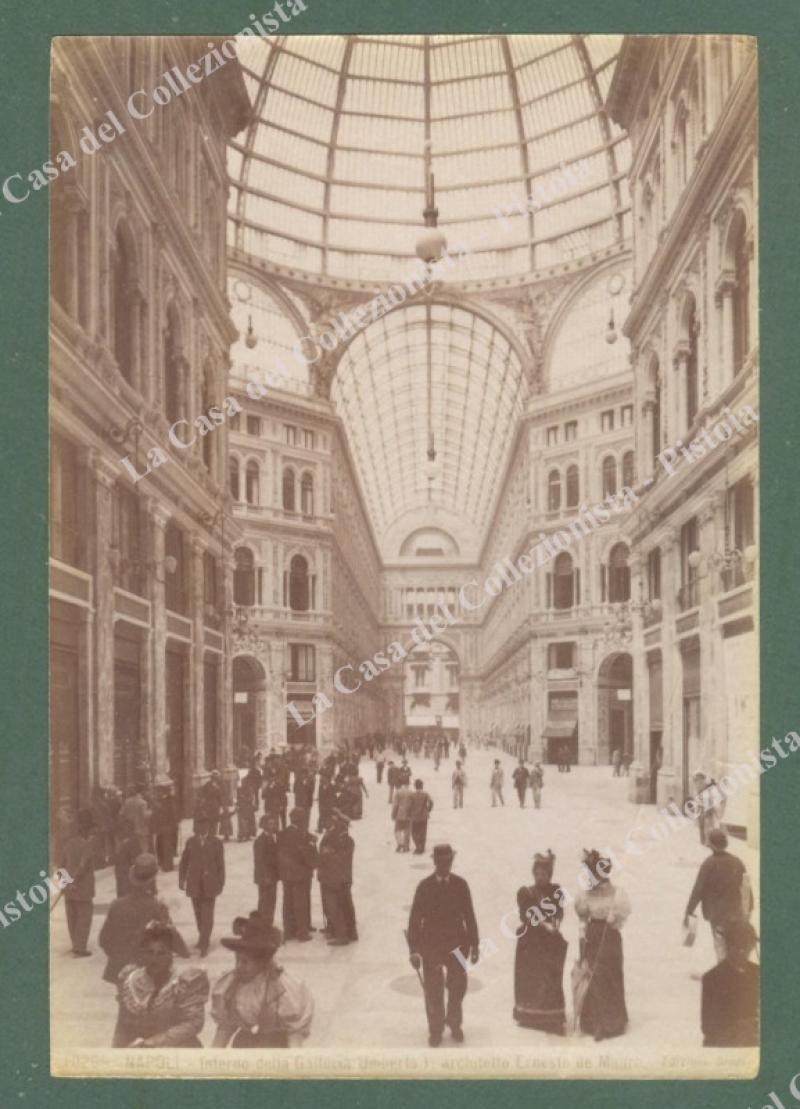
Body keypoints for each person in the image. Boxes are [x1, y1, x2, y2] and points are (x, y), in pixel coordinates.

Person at [407, 844, 479, 1046]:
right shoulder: (424, 886)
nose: (445, 865)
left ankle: (454, 1023)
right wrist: (414, 950)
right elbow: (414, 920)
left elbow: (469, 916)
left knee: (458, 987)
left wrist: (475, 945)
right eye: (441, 861)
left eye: (448, 861)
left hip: (458, 945)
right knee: (433, 989)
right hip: (431, 945)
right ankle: (436, 1029)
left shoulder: (461, 885)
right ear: (435, 862)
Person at [211, 914, 313, 1047]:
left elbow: (294, 1033)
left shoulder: (281, 988)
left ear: (262, 963)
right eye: (237, 960)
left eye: (245, 962)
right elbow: (226, 1026)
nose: (238, 967)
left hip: (273, 1046)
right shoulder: (231, 984)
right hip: (244, 1044)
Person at [113, 920, 209, 1048]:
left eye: (161, 953)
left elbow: (193, 1023)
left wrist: (151, 1043)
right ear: (143, 955)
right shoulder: (130, 979)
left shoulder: (184, 983)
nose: (154, 959)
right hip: (136, 1048)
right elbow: (123, 1023)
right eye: (150, 953)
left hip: (178, 1047)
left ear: (170, 956)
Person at [574, 850, 631, 1041]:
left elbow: (621, 919)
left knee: (611, 978)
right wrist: (582, 938)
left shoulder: (617, 894)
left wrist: (614, 919)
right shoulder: (585, 895)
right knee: (594, 978)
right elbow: (583, 918)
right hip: (593, 937)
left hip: (611, 940)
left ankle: (613, 1022)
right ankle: (596, 1023)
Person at [99, 854, 180, 984]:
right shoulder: (157, 907)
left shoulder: (117, 905)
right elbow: (174, 943)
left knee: (124, 1002)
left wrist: (121, 958)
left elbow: (104, 940)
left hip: (120, 970)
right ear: (152, 880)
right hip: (149, 973)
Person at [513, 851, 567, 1034]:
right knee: (532, 978)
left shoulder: (556, 891)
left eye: (544, 874)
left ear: (549, 875)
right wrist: (545, 924)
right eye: (537, 874)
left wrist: (556, 923)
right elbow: (527, 916)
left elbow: (559, 912)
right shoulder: (526, 893)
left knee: (551, 979)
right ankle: (530, 1016)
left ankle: (552, 1016)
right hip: (532, 941)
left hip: (550, 941)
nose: (540, 877)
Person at [684, 829, 753, 962]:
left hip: (717, 914)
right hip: (735, 912)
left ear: (711, 845)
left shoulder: (708, 864)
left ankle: (725, 974)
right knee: (733, 943)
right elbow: (746, 888)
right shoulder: (737, 862)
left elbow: (698, 890)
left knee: (720, 944)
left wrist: (689, 910)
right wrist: (748, 910)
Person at [701, 920, 759, 1047]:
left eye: (747, 947)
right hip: (725, 1046)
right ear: (728, 946)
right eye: (737, 946)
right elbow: (707, 1027)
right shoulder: (712, 978)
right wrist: (739, 1027)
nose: (742, 952)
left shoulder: (758, 974)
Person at [178, 815, 225, 956]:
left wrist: (221, 882)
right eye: (198, 825)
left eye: (203, 825)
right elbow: (184, 862)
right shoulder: (191, 842)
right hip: (194, 884)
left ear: (208, 827)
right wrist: (181, 879)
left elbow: (220, 865)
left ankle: (204, 942)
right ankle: (202, 937)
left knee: (207, 915)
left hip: (210, 884)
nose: (200, 828)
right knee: (198, 913)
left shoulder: (216, 842)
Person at [277, 807, 317, 942]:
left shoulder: (283, 833)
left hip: (287, 875)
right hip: (301, 874)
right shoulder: (300, 834)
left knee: (288, 902)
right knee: (301, 902)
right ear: (301, 820)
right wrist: (314, 861)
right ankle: (302, 932)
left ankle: (289, 930)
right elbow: (306, 854)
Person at [318, 810, 357, 945]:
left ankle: (342, 935)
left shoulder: (345, 841)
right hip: (337, 878)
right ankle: (345, 932)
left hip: (336, 879)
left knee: (337, 906)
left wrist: (326, 854)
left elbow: (337, 858)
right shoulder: (339, 838)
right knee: (343, 905)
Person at [61, 809, 96, 956]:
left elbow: (62, 864)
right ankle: (80, 947)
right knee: (83, 917)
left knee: (72, 916)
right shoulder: (86, 845)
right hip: (82, 887)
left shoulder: (67, 843)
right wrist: (74, 880)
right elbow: (83, 866)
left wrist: (65, 882)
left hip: (69, 887)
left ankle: (75, 942)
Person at [253, 814, 280, 927]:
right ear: (263, 825)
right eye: (270, 823)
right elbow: (259, 861)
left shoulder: (273, 837)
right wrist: (265, 876)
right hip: (265, 877)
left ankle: (268, 923)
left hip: (272, 876)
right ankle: (263, 925)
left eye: (273, 823)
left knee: (271, 901)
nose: (272, 826)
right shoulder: (260, 841)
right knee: (265, 902)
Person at [151, 784, 178, 871]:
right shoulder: (170, 801)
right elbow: (174, 815)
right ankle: (167, 866)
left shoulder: (158, 802)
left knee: (161, 846)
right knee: (166, 847)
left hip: (161, 828)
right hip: (167, 827)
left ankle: (162, 863)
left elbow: (154, 816)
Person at [113, 818, 142, 898]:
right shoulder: (124, 842)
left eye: (124, 829)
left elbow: (135, 860)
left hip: (127, 876)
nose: (121, 832)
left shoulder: (133, 842)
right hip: (122, 875)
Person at [121, 786, 151, 853]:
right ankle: (143, 860)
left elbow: (122, 813)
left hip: (130, 827)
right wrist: (151, 812)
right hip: (141, 827)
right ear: (139, 793)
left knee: (133, 844)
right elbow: (145, 816)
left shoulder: (127, 801)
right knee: (143, 845)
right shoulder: (143, 803)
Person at [408, 779, 434, 855]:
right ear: (422, 786)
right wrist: (428, 810)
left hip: (414, 815)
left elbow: (409, 805)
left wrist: (409, 813)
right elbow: (431, 802)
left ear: (415, 786)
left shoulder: (412, 795)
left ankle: (418, 846)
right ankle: (422, 847)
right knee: (423, 832)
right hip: (424, 815)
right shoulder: (426, 794)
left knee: (414, 832)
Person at [195, 771, 223, 836]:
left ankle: (213, 835)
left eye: (217, 777)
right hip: (210, 806)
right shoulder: (207, 785)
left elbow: (221, 796)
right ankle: (211, 835)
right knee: (210, 822)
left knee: (215, 822)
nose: (216, 778)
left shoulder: (219, 785)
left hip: (215, 806)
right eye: (215, 777)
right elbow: (202, 794)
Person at [391, 780, 414, 853]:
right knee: (407, 830)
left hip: (399, 814)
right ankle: (406, 847)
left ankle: (400, 843)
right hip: (409, 814)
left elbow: (395, 805)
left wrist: (393, 814)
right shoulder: (411, 792)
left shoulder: (397, 792)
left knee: (397, 829)